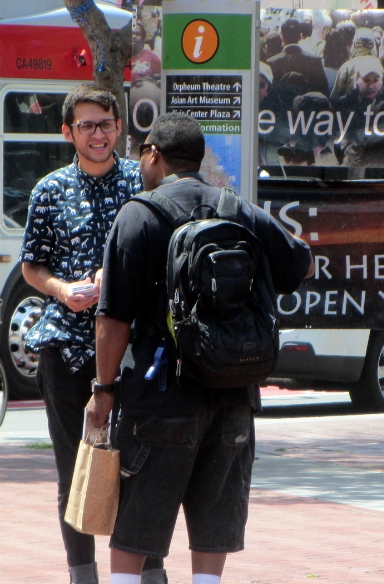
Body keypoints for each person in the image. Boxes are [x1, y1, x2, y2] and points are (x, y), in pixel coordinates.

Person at [87, 113, 314, 584]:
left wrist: (102, 391)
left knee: (135, 534)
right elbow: (301, 265)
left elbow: (112, 320)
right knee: (212, 535)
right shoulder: (237, 209)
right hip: (233, 396)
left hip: (159, 398)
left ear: (154, 154)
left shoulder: (140, 213)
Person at [19, 84, 166, 584]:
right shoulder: (49, 190)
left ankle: (150, 572)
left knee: (142, 466)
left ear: (119, 127)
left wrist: (120, 276)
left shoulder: (142, 182)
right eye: (87, 125)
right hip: (66, 346)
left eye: (105, 123)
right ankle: (82, 574)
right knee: (73, 468)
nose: (98, 134)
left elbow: (163, 252)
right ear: (68, 133)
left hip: (133, 347)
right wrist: (62, 290)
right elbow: (32, 266)